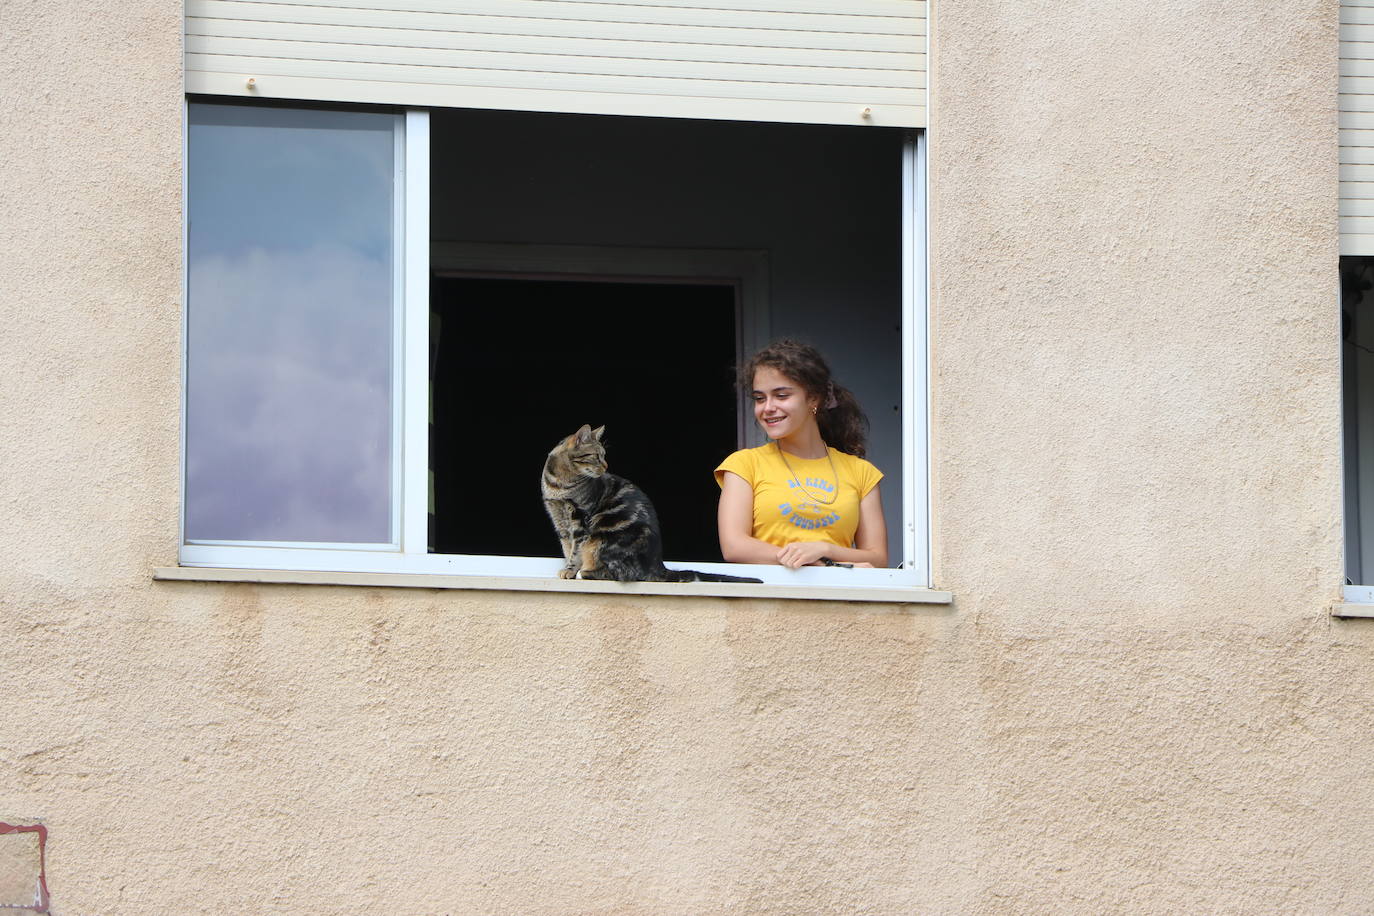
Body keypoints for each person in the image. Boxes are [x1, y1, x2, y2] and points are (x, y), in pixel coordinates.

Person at [715, 339, 888, 569]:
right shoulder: (744, 464)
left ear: (813, 398)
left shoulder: (861, 472)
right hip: (768, 600)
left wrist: (825, 550)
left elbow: (877, 559)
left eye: (782, 395)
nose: (767, 408)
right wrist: (817, 562)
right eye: (759, 398)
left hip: (839, 601)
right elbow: (734, 547)